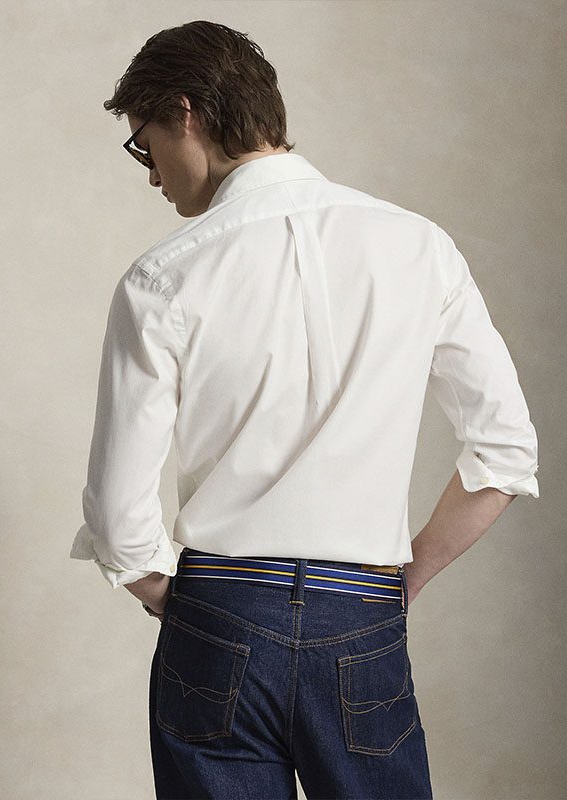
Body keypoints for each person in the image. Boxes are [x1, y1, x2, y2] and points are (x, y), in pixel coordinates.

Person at [70, 19, 540, 800]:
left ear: (185, 113)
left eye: (144, 146)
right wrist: (403, 579)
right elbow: (505, 454)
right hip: (363, 612)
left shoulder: (163, 278)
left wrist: (195, 610)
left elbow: (120, 522)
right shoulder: (420, 247)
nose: (152, 176)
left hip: (218, 609)